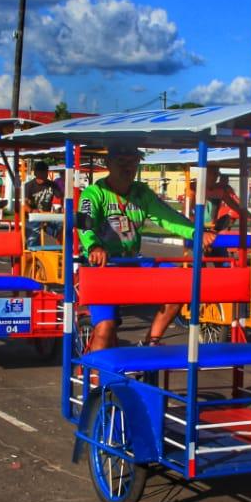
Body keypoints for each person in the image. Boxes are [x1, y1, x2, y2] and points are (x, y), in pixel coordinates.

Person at [77, 142, 217, 352]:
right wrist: (94, 246)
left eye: (132, 163)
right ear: (108, 163)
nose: (127, 168)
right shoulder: (94, 193)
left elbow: (168, 217)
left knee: (180, 284)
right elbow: (84, 224)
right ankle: (94, 375)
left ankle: (150, 342)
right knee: (105, 328)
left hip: (133, 261)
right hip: (102, 267)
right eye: (121, 162)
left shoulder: (141, 193)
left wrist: (196, 232)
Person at [23, 160, 62, 246]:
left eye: (45, 171)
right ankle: (33, 251)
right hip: (32, 217)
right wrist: (31, 210)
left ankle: (62, 249)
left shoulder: (52, 185)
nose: (44, 174)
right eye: (41, 172)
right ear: (35, 173)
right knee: (34, 234)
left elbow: (61, 197)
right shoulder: (28, 186)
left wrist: (62, 208)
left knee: (63, 224)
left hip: (47, 217)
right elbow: (23, 204)